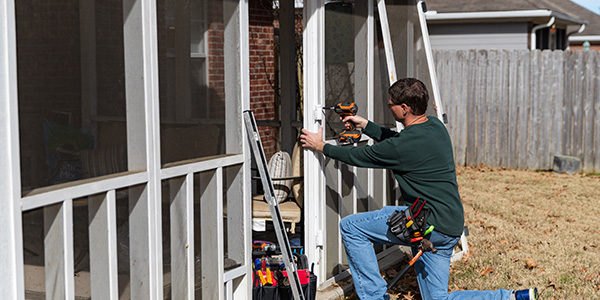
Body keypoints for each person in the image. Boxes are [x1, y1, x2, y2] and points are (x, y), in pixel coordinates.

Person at [300, 78, 538, 300]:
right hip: (450, 225)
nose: (389, 108)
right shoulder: (435, 126)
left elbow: (361, 155)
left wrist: (321, 146)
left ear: (404, 108)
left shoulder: (402, 146)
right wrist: (367, 126)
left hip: (427, 226)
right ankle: (510, 297)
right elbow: (397, 141)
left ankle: (374, 296)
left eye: (391, 104)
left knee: (351, 227)